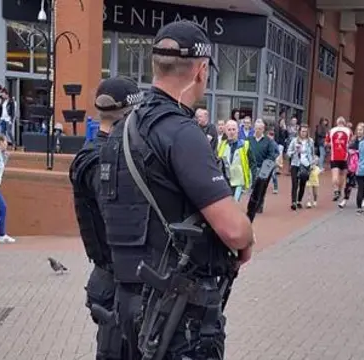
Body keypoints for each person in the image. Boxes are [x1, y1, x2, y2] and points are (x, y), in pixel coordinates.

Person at [99, 20, 254, 359]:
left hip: (128, 302)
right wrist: (246, 239)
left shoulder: (121, 131)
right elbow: (233, 229)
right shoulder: (181, 132)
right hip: (178, 313)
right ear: (201, 71)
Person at [69, 76, 143, 360]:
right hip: (116, 284)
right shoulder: (99, 160)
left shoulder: (103, 154)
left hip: (116, 282)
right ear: (130, 113)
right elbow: (118, 212)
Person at [217, 119, 254, 202]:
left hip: (238, 180)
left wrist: (251, 180)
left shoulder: (245, 145)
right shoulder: (221, 145)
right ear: (225, 131)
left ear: (237, 130)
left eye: (234, 129)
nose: (231, 132)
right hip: (226, 180)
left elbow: (252, 163)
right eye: (229, 130)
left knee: (235, 202)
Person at [248, 119, 275, 212]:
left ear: (263, 129)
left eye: (260, 128)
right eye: (256, 128)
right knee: (253, 187)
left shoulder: (268, 141)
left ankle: (259, 205)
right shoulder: (249, 140)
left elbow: (271, 155)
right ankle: (252, 205)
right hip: (251, 167)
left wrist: (265, 165)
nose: (257, 130)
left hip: (263, 168)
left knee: (261, 188)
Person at [287, 125, 314, 210]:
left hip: (306, 164)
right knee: (294, 183)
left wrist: (312, 163)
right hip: (295, 164)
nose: (304, 133)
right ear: (299, 132)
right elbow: (288, 152)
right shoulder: (294, 141)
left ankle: (299, 201)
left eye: (305, 131)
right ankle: (293, 202)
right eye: (302, 131)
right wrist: (295, 151)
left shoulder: (310, 141)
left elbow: (312, 153)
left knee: (302, 183)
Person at [326, 116, 352, 206]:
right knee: (343, 176)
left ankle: (336, 190)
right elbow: (351, 143)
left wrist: (332, 144)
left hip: (334, 156)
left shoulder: (331, 131)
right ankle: (339, 191)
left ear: (337, 122)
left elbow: (326, 143)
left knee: (335, 175)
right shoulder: (348, 131)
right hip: (345, 156)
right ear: (344, 123)